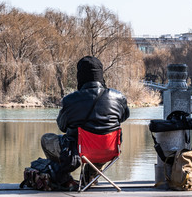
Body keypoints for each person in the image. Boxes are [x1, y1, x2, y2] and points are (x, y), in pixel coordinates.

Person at [41, 56, 130, 187]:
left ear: (80, 76)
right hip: (109, 150)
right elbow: (123, 117)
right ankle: (90, 177)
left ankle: (63, 177)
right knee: (100, 142)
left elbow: (62, 126)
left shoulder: (70, 100)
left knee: (46, 139)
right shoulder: (119, 97)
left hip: (78, 152)